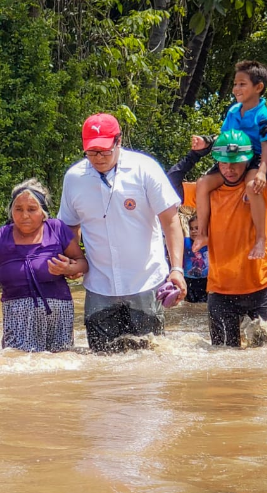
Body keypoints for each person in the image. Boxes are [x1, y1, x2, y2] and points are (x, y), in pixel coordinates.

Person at [57, 113, 187, 353]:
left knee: (148, 362)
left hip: (145, 282)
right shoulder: (74, 178)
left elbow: (170, 222)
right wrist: (73, 262)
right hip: (99, 286)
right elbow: (69, 228)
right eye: (92, 152)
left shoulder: (145, 169)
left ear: (119, 142)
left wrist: (177, 269)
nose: (98, 158)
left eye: (105, 151)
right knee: (102, 364)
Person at [168, 124, 267, 347]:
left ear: (248, 161)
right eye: (224, 163)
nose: (229, 169)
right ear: (217, 162)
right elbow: (170, 184)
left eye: (236, 163)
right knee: (224, 358)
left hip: (263, 288)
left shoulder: (264, 188)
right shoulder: (207, 191)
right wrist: (195, 154)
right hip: (221, 291)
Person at [0, 179, 88, 352]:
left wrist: (68, 269)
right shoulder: (3, 236)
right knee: (18, 363)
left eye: (32, 209)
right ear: (11, 211)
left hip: (59, 314)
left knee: (59, 366)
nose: (24, 215)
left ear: (43, 212)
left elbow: (82, 263)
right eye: (18, 209)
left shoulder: (56, 229)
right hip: (16, 315)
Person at [191, 60, 267, 260]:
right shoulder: (233, 111)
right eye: (235, 84)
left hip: (255, 158)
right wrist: (206, 141)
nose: (236, 88)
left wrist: (262, 171)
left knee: (253, 185)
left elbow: (266, 146)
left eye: (242, 84)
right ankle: (202, 234)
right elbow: (222, 138)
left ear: (258, 87)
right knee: (202, 184)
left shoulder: (263, 114)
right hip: (233, 157)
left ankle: (261, 239)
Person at [183, 215, 209, 303]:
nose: (193, 231)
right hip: (188, 280)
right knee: (189, 304)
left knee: (204, 304)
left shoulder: (208, 243)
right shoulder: (185, 242)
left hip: (205, 280)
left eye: (197, 228)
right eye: (191, 228)